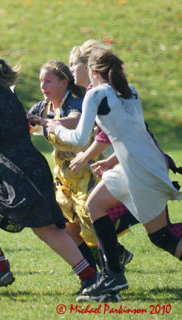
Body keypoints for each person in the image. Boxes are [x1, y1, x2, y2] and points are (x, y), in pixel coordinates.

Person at [0, 48, 97, 295]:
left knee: (46, 229)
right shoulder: (4, 94)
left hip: (22, 172)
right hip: (22, 169)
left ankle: (90, 277)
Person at [47, 47, 182, 297]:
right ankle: (113, 276)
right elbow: (130, 135)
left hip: (139, 169)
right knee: (94, 205)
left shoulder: (96, 93)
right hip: (136, 162)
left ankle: (113, 276)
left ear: (93, 70)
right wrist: (110, 162)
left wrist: (55, 127)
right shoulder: (129, 91)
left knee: (162, 236)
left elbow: (78, 138)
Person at [26, 61, 133, 286]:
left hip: (88, 170)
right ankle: (94, 277)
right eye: (41, 81)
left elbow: (74, 121)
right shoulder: (42, 107)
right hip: (64, 177)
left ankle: (112, 272)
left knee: (92, 222)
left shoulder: (74, 102)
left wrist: (48, 122)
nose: (43, 86)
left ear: (64, 82)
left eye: (48, 81)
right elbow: (25, 123)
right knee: (66, 227)